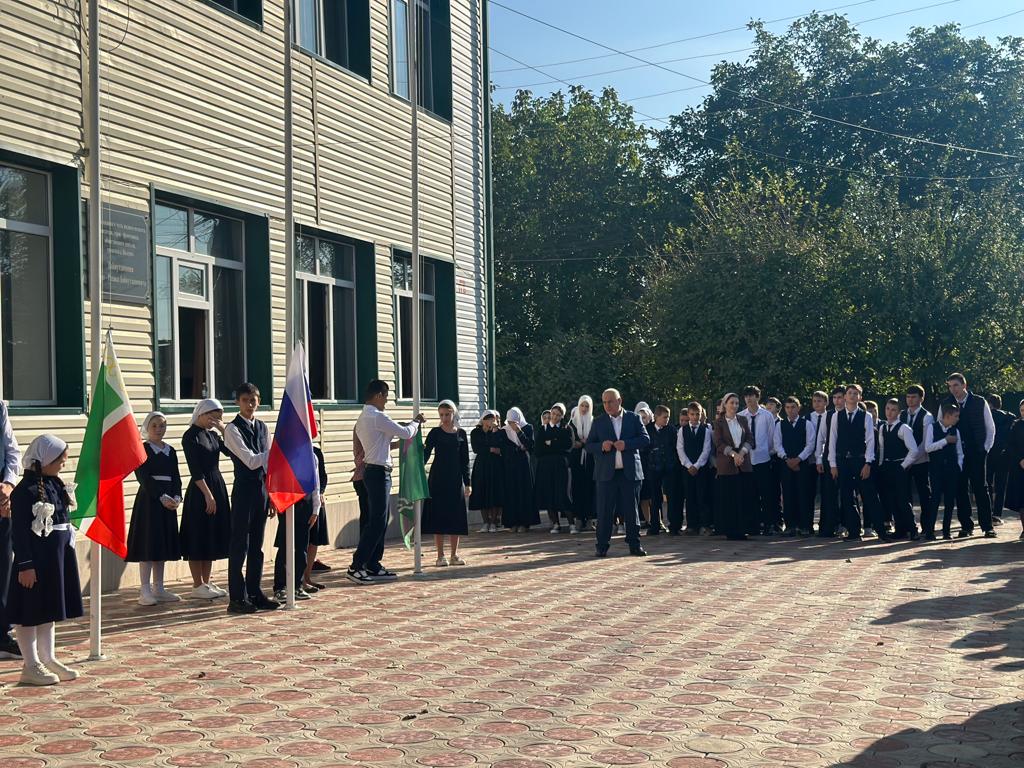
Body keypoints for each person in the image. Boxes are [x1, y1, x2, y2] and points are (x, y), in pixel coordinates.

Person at [7, 435, 83, 685]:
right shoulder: (24, 491)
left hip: (55, 560)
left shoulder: (55, 484)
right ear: (45, 459)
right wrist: (25, 565)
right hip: (35, 562)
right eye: (60, 459)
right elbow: (19, 532)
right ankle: (31, 664)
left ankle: (48, 658)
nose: (64, 463)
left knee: (47, 609)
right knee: (29, 611)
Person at [347, 379, 425, 585]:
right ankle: (357, 565)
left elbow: (383, 444)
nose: (386, 402)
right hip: (378, 473)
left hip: (375, 471)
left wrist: (407, 436)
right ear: (378, 395)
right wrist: (416, 422)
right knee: (377, 521)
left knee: (378, 520)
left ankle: (373, 563)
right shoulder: (377, 416)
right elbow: (406, 432)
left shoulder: (364, 417)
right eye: (386, 397)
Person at [223, 383, 278, 614]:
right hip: (244, 491)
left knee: (257, 545)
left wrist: (272, 494)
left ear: (259, 400)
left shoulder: (263, 427)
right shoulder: (232, 429)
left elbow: (269, 465)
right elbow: (250, 460)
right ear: (238, 402)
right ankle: (237, 597)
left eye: (253, 400)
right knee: (240, 545)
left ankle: (255, 592)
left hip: (261, 491)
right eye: (245, 400)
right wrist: (277, 453)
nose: (250, 404)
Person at [126, 412, 183, 607]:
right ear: (147, 428)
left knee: (162, 543)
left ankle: (159, 588)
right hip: (150, 501)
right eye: (155, 426)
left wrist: (177, 496)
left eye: (162, 425)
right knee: (148, 543)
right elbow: (143, 476)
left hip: (168, 502)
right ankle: (145, 590)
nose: (159, 429)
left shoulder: (171, 451)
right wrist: (161, 496)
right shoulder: (142, 449)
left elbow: (176, 476)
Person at [585, 388, 650, 557]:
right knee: (604, 511)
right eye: (604, 402)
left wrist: (627, 444)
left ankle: (635, 544)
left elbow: (645, 439)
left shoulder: (633, 418)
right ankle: (602, 546)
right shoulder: (598, 422)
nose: (607, 405)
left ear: (619, 401)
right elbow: (589, 445)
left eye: (610, 402)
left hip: (630, 473)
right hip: (606, 474)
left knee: (631, 511)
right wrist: (601, 446)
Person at [179, 399, 231, 600]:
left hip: (217, 483)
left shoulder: (213, 435)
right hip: (201, 488)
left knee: (210, 534)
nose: (214, 421)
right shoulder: (190, 436)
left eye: (218, 418)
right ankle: (197, 583)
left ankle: (206, 582)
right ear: (201, 413)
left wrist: (224, 430)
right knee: (198, 535)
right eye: (212, 417)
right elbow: (195, 469)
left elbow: (231, 451)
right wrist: (208, 495)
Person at [940, 373, 997, 538]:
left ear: (964, 385)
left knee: (981, 488)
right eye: (950, 386)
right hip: (956, 454)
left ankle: (987, 526)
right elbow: (940, 425)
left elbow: (990, 427)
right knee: (960, 489)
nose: (953, 389)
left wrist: (985, 449)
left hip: (977, 452)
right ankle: (966, 526)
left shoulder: (979, 401)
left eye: (956, 385)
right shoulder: (945, 404)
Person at [828, 384, 887, 542]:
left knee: (870, 496)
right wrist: (833, 464)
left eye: (856, 393)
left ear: (860, 397)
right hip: (843, 461)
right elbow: (832, 440)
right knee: (847, 497)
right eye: (850, 393)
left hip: (860, 461)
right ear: (845, 396)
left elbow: (870, 441)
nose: (852, 396)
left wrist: (868, 463)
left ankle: (881, 531)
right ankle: (854, 532)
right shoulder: (836, 416)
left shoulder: (866, 416)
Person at [273, 445, 326, 603]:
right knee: (285, 547)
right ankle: (280, 587)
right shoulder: (285, 450)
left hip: (306, 504)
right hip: (287, 502)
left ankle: (297, 585)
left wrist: (316, 508)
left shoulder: (312, 456)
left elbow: (315, 483)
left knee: (302, 548)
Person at [423, 400, 471, 566]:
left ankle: (454, 555)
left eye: (447, 414)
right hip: (438, 478)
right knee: (439, 515)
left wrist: (468, 483)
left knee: (455, 516)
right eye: (441, 415)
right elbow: (425, 453)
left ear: (453, 414)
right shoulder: (435, 432)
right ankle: (440, 555)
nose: (444, 418)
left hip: (455, 479)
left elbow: (465, 461)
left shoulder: (461, 433)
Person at [712, 393, 755, 541]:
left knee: (743, 497)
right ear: (725, 404)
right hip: (727, 464)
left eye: (737, 403)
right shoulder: (719, 423)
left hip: (743, 463)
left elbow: (750, 438)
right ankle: (730, 530)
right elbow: (719, 443)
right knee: (729, 498)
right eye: (732, 403)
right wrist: (733, 455)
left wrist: (741, 453)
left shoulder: (743, 420)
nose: (735, 406)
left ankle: (744, 529)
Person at [877, 398, 920, 540]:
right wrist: (881, 465)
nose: (889, 412)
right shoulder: (882, 427)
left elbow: (914, 450)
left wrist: (903, 466)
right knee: (891, 500)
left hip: (899, 466)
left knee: (903, 500)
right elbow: (882, 448)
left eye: (893, 410)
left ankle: (913, 529)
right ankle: (899, 529)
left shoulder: (903, 428)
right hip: (886, 467)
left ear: (899, 412)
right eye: (887, 409)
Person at [772, 396, 815, 536]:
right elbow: (777, 444)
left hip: (803, 464)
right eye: (788, 407)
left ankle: (805, 526)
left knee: (804, 494)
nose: (790, 410)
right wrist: (786, 458)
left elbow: (810, 445)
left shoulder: (807, 424)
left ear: (799, 408)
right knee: (788, 494)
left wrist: (798, 459)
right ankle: (790, 526)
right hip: (786, 464)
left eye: (793, 407)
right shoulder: (780, 425)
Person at [0, 400, 22, 661]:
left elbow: (12, 452)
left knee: (3, 568)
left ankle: (2, 635)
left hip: (1, 501)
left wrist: (8, 483)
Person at [740, 386, 778, 535]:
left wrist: (765, 451)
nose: (749, 398)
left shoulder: (767, 416)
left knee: (766, 494)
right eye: (746, 396)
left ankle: (769, 524)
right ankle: (752, 526)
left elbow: (771, 437)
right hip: (747, 460)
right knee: (749, 494)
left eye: (752, 395)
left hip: (763, 459)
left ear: (757, 397)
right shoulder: (741, 416)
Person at [925, 403, 965, 540]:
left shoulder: (956, 431)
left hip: (951, 470)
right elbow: (928, 448)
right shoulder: (932, 427)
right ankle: (929, 531)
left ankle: (946, 531)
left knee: (949, 501)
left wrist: (959, 466)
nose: (957, 419)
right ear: (947, 416)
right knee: (935, 499)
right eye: (956, 416)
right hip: (936, 469)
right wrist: (945, 441)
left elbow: (959, 452)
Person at [497, 407, 538, 532]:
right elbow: (504, 447)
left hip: (523, 464)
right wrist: (517, 448)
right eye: (510, 422)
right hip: (510, 464)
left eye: (514, 421)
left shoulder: (528, 428)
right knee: (511, 492)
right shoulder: (504, 431)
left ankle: (525, 523)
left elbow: (530, 445)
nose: (512, 424)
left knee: (523, 491)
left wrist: (519, 432)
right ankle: (512, 522)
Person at [900, 385, 933, 536]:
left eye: (913, 397)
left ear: (921, 398)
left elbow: (925, 443)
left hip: (921, 461)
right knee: (904, 495)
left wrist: (911, 459)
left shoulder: (927, 416)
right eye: (908, 397)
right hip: (904, 462)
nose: (910, 400)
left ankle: (927, 527)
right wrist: (906, 461)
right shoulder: (901, 415)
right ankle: (908, 527)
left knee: (924, 495)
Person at [534, 403, 572, 533]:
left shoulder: (566, 429)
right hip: (545, 466)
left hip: (560, 465)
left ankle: (571, 523)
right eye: (553, 414)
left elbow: (568, 446)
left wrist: (551, 443)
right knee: (549, 494)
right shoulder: (542, 429)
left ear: (562, 416)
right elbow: (538, 450)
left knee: (563, 493)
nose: (555, 417)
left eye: (558, 415)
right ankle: (555, 523)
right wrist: (556, 444)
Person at [676, 401, 713, 535]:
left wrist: (697, 465)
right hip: (687, 469)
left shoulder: (706, 431)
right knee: (690, 496)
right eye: (692, 414)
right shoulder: (682, 430)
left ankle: (704, 524)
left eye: (697, 414)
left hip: (701, 468)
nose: (695, 417)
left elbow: (706, 450)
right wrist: (688, 465)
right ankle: (692, 525)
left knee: (702, 495)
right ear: (688, 414)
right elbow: (680, 449)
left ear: (701, 414)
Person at [816, 386, 847, 538]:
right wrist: (819, 459)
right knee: (828, 494)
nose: (837, 401)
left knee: (846, 493)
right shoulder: (827, 415)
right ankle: (828, 527)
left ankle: (846, 524)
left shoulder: (851, 415)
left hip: (846, 459)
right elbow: (821, 438)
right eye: (834, 398)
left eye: (840, 397)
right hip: (828, 458)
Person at [469, 410, 504, 533]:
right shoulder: (475, 432)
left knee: (493, 492)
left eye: (493, 419)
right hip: (481, 464)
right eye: (488, 419)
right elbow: (476, 448)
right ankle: (485, 522)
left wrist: (494, 432)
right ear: (483, 420)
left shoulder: (497, 432)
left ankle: (494, 522)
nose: (491, 421)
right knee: (481, 491)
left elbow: (499, 446)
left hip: (494, 465)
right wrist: (490, 449)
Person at [302, 449, 330, 594]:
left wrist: (321, 493)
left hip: (315, 500)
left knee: (314, 540)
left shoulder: (316, 452)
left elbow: (322, 476)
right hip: (300, 502)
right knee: (300, 542)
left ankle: (307, 576)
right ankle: (297, 579)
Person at [645, 405, 676, 536]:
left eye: (668, 417)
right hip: (653, 468)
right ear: (656, 417)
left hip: (668, 468)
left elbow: (674, 447)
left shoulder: (671, 430)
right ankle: (655, 525)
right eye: (664, 417)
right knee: (655, 497)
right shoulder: (648, 429)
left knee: (671, 496)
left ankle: (674, 525)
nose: (666, 420)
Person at [567, 396, 596, 534]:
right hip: (576, 460)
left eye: (586, 406)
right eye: (582, 406)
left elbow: (595, 439)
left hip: (590, 460)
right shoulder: (572, 423)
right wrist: (577, 444)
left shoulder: (593, 422)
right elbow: (570, 441)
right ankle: (578, 518)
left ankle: (589, 519)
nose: (584, 409)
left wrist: (586, 443)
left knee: (590, 488)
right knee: (577, 487)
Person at [986, 393, 1014, 527]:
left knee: (987, 484)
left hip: (988, 453)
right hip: (1003, 455)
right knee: (1001, 485)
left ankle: (987, 511)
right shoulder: (1009, 417)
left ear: (989, 404)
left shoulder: (986, 416)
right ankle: (997, 514)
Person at [805, 391, 829, 535]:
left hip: (826, 459)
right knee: (809, 492)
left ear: (826, 402)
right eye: (814, 401)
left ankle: (825, 525)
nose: (816, 403)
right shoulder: (807, 418)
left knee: (826, 493)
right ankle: (808, 525)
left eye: (819, 401)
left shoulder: (831, 416)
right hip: (810, 460)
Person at [1001, 398, 1024, 540]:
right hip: (1020, 467)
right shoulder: (1016, 425)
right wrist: (1020, 459)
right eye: (1022, 410)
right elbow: (1010, 445)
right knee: (1022, 500)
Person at [634, 403, 656, 530]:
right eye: (640, 417)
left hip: (652, 465)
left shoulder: (653, 430)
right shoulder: (635, 431)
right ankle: (648, 520)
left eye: (644, 417)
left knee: (653, 495)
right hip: (640, 466)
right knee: (643, 495)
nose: (642, 420)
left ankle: (656, 519)